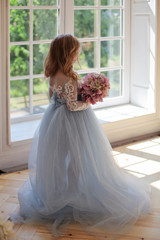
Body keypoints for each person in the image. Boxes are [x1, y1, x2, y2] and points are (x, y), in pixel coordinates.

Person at [10, 34, 152, 240]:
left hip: (54, 122)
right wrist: (89, 100)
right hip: (73, 123)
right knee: (77, 159)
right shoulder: (70, 78)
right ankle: (75, 193)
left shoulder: (52, 74)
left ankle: (57, 192)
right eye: (76, 50)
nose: (78, 54)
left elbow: (52, 99)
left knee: (58, 159)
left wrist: (79, 95)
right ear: (69, 53)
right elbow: (73, 106)